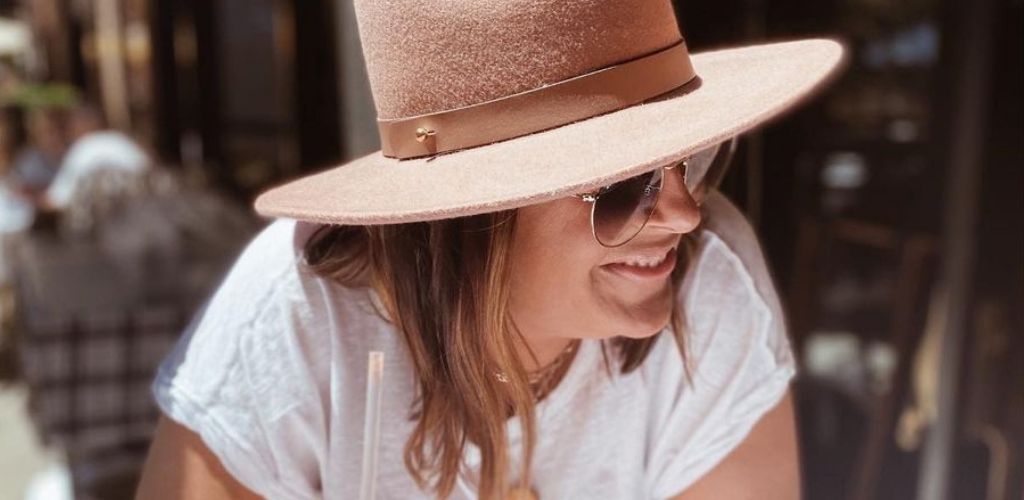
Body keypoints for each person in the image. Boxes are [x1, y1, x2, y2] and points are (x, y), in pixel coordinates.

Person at [137, 0, 845, 498]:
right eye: (628, 184)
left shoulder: (712, 290)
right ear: (466, 218)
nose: (686, 214)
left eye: (690, 159)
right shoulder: (294, 315)